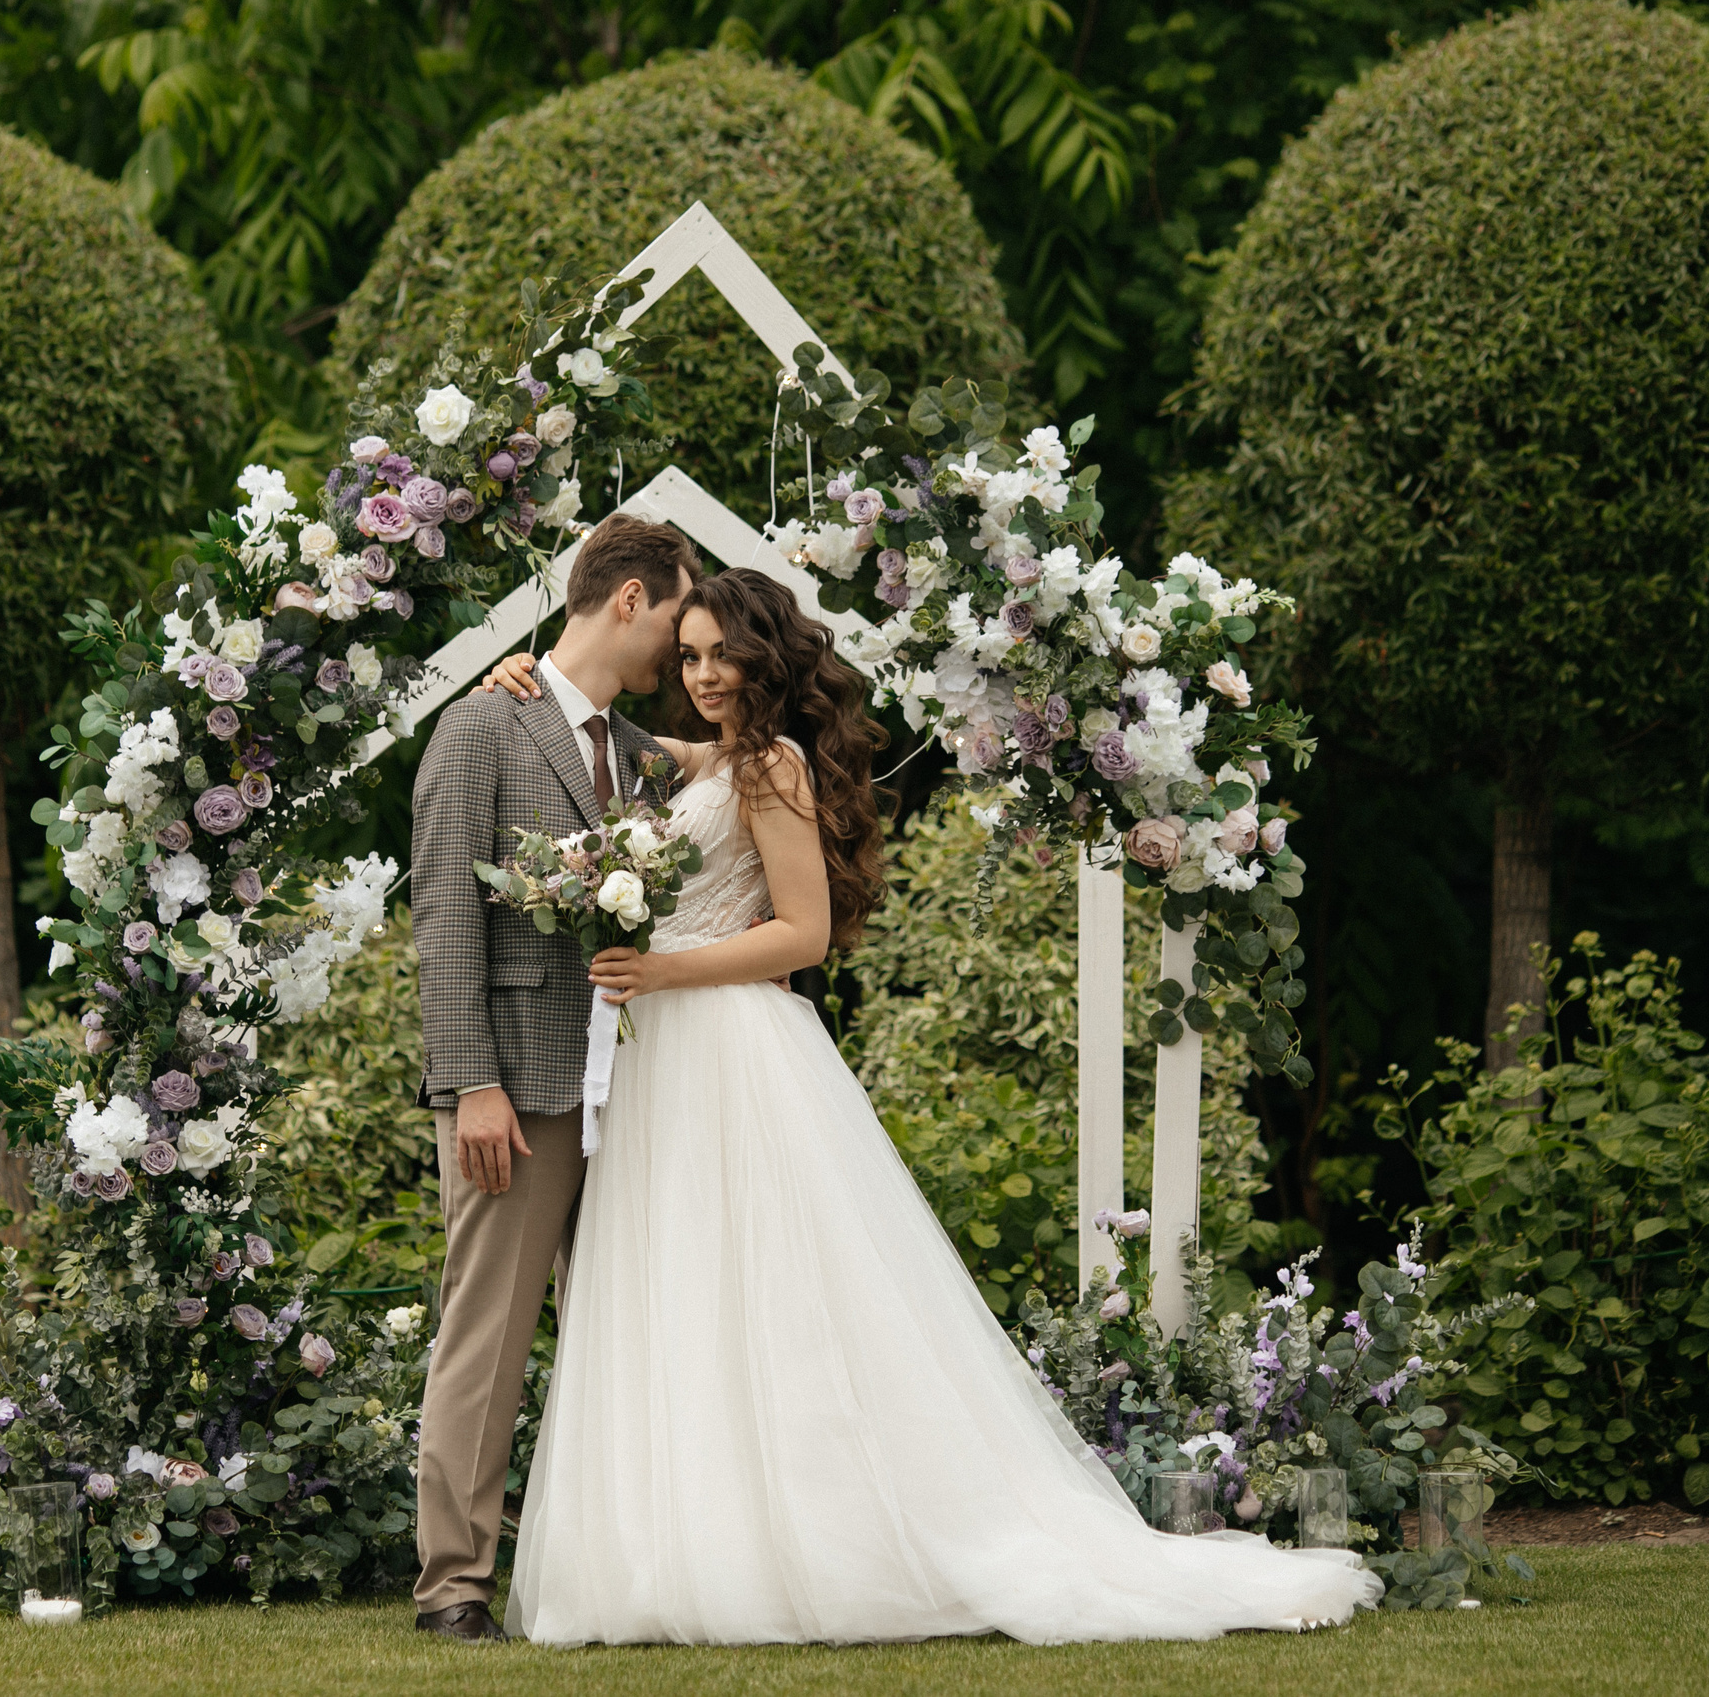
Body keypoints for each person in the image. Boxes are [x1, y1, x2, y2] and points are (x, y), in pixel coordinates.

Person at [471, 568, 1384, 1646]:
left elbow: (804, 934)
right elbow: (600, 729)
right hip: (664, 1058)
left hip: (727, 1045)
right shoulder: (709, 759)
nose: (704, 674)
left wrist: (661, 970)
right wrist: (525, 676)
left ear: (765, 657)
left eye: (723, 655)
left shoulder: (773, 765)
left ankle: (798, 1544)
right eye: (690, 656)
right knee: (685, 1286)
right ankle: (691, 1543)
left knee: (769, 1290)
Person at [407, 512, 703, 1643]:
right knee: (485, 1338)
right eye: (677, 619)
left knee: (623, 1328)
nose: (682, 648)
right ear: (630, 599)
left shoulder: (642, 757)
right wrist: (469, 1085)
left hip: (631, 1092)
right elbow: (444, 916)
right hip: (516, 1096)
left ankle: (610, 1571)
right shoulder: (480, 727)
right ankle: (453, 1585)